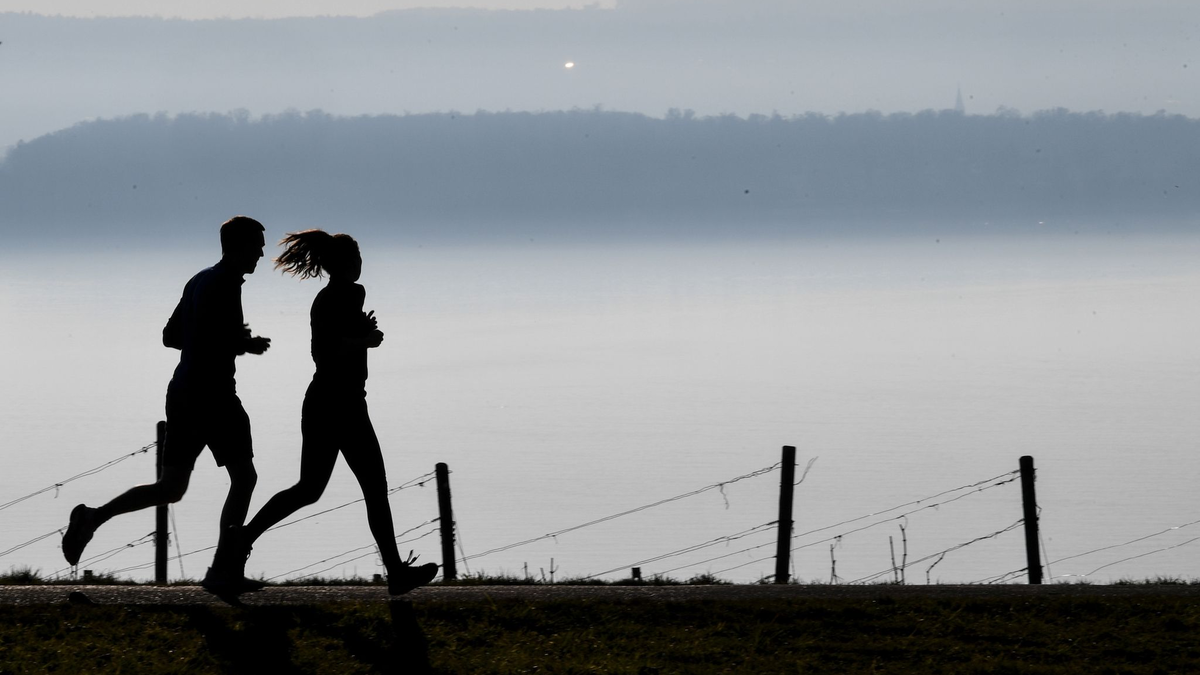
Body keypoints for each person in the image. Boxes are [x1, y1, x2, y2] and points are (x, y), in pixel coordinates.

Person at [62, 216, 272, 596]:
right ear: (238, 246)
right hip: (213, 394)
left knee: (171, 488)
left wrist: (229, 339)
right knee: (244, 478)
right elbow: (206, 339)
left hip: (183, 393)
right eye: (256, 244)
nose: (261, 252)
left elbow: (170, 336)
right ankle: (223, 569)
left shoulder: (199, 280)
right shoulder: (223, 283)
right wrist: (242, 343)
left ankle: (93, 517)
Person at [237, 229, 437, 595]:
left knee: (312, 489)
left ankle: (243, 538)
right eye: (358, 259)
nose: (362, 265)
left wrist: (362, 332)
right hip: (338, 404)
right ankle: (395, 574)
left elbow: (340, 338)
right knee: (362, 488)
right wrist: (365, 340)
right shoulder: (338, 297)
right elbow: (324, 352)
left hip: (333, 402)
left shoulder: (342, 297)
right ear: (347, 263)